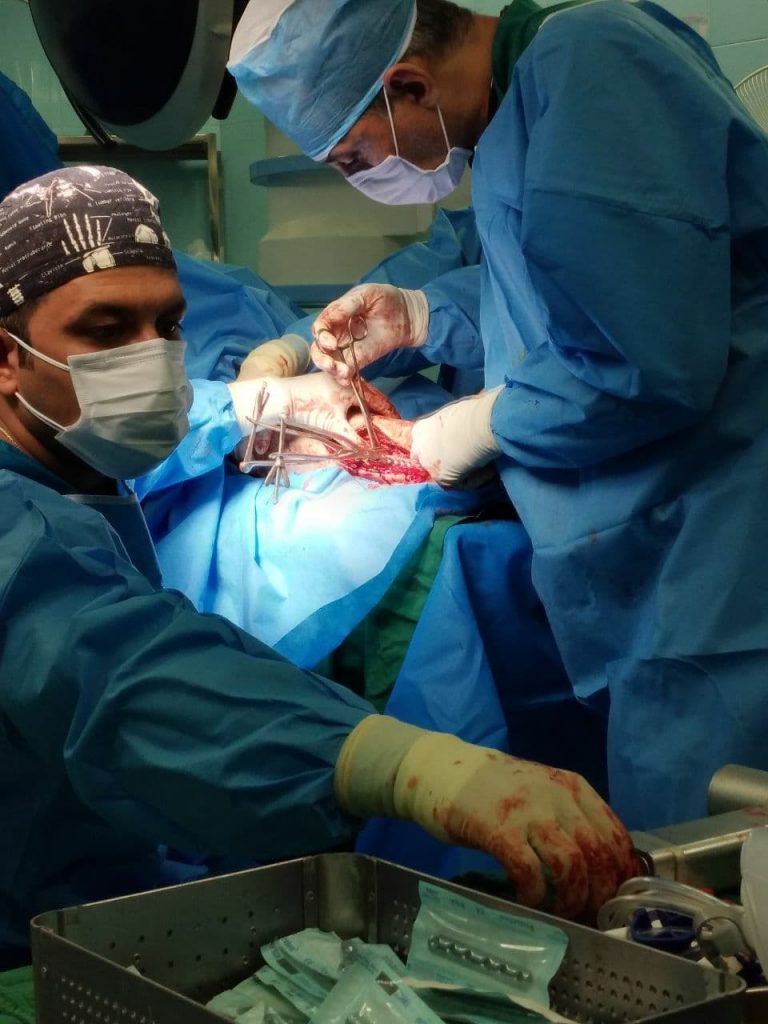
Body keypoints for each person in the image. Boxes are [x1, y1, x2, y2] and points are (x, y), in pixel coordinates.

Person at [0, 166, 635, 966]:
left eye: (169, 326)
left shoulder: (72, 459)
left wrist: (263, 402)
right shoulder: (19, 531)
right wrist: (407, 765)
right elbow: (122, 672)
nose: (150, 359)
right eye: (105, 330)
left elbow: (153, 438)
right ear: (7, 357)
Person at [228, 0, 768, 831]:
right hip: (662, 554)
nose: (361, 178)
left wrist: (467, 429)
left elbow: (644, 360)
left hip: (722, 553)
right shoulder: (525, 112)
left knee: (715, 863)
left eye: (356, 157)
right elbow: (572, 290)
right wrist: (419, 315)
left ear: (409, 85)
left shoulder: (591, 66)